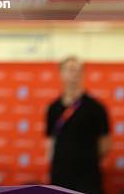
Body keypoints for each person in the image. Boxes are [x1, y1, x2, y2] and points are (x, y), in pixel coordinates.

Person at [46, 56, 111, 194]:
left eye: (77, 70)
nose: (74, 74)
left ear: (83, 74)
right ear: (60, 74)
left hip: (87, 177)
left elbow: (105, 144)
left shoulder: (95, 107)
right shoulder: (53, 107)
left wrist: (85, 158)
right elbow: (50, 141)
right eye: (70, 70)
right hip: (60, 175)